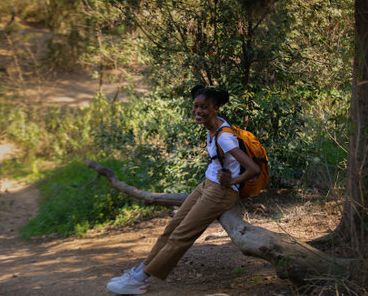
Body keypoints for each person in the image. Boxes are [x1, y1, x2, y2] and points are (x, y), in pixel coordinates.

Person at [106, 85, 261, 294]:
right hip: (207, 185)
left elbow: (253, 169)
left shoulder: (224, 136)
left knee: (181, 235)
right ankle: (140, 270)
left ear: (215, 108)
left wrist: (233, 179)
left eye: (204, 107)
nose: (198, 111)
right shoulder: (213, 127)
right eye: (196, 106)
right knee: (171, 228)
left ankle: (141, 280)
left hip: (221, 193)